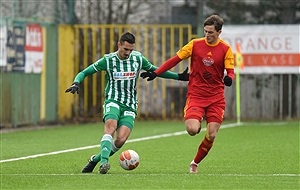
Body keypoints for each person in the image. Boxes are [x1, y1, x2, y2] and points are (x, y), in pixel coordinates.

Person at [65, 32, 189, 174]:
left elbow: (156, 70)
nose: (128, 53)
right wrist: (76, 83)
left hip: (130, 104)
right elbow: (84, 72)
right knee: (110, 128)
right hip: (113, 101)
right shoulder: (108, 60)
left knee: (120, 140)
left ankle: (94, 160)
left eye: (131, 49)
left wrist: (179, 77)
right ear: (119, 45)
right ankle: (104, 163)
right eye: (125, 49)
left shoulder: (138, 58)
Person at [140, 15, 235, 173]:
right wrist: (156, 73)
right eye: (205, 31)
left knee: (211, 134)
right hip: (196, 95)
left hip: (216, 98)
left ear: (219, 32)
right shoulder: (195, 44)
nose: (207, 35)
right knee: (192, 130)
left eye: (211, 32)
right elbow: (174, 60)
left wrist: (229, 79)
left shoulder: (226, 49)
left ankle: (194, 163)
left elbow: (231, 72)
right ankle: (197, 121)